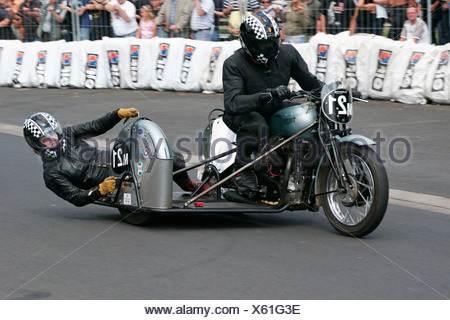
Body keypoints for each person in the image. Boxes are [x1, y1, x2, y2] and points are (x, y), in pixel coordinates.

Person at [23, 109, 208, 207]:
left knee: (171, 156)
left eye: (54, 134)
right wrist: (99, 190)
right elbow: (75, 197)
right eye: (46, 139)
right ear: (36, 143)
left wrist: (117, 114)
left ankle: (188, 185)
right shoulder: (52, 173)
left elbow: (95, 126)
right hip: (111, 182)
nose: (53, 140)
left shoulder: (69, 134)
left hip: (118, 158)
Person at [222, 12, 323, 189]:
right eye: (263, 44)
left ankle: (307, 166)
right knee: (257, 124)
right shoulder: (234, 63)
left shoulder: (287, 54)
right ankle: (241, 171)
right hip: (243, 113)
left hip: (276, 107)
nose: (269, 48)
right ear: (249, 43)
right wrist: (267, 95)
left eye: (272, 42)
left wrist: (336, 91)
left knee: (310, 116)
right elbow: (232, 103)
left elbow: (311, 83)